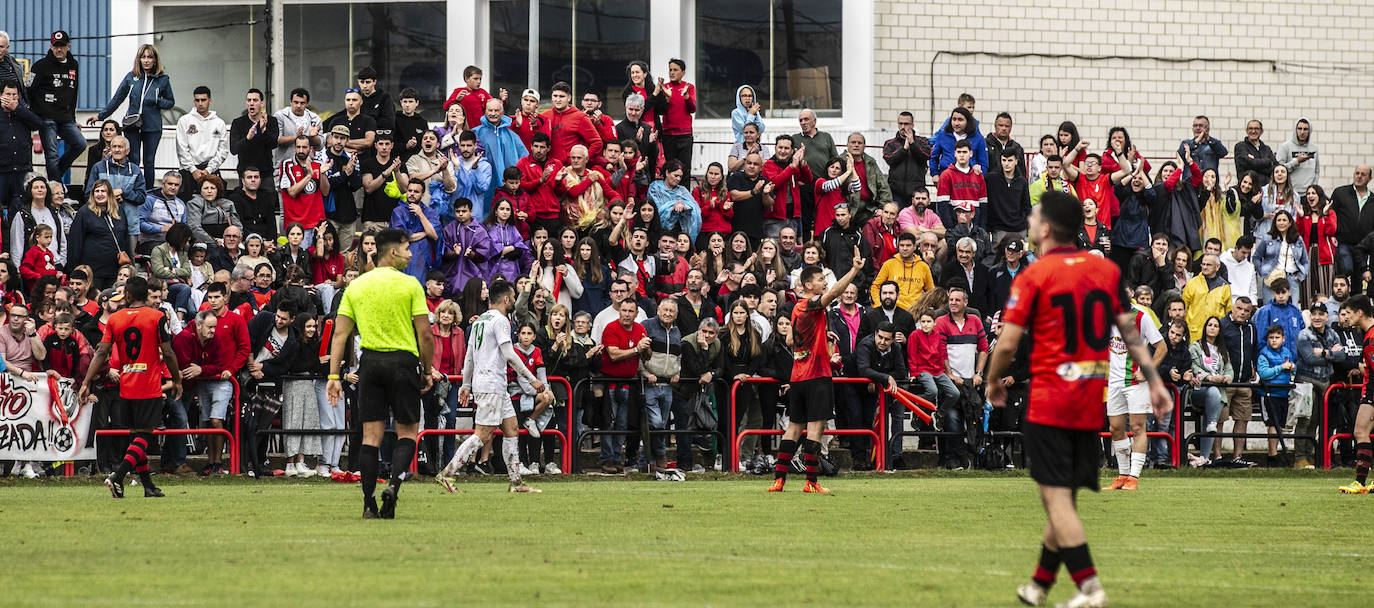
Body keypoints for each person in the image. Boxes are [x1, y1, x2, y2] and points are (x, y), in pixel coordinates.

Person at [987, 190, 1171, 608]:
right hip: (1090, 399)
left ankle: (1091, 589)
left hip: (1051, 399)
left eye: (1034, 217)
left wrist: (993, 379)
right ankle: (1038, 585)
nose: (1029, 223)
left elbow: (1007, 342)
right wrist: (1156, 382)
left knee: (1054, 498)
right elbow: (1130, 329)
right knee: (1063, 497)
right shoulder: (1104, 269)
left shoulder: (1034, 275)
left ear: (1047, 228)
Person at [325, 229, 434, 518]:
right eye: (407, 248)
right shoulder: (411, 285)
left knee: (370, 437)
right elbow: (425, 334)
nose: (411, 254)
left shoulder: (357, 286)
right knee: (408, 432)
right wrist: (427, 369)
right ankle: (394, 488)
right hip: (402, 361)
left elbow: (340, 335)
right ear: (393, 251)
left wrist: (334, 377)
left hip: (370, 363)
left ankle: (368, 503)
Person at [436, 279, 550, 492]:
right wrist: (531, 378)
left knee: (512, 428)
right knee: (483, 434)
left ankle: (516, 483)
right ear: (506, 299)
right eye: (513, 298)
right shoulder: (500, 320)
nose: (514, 301)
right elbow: (509, 354)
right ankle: (447, 474)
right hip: (491, 382)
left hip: (491, 382)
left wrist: (466, 383)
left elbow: (470, 355)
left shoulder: (479, 321)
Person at [766, 245, 864, 493]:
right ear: (808, 285)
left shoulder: (796, 309)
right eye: (820, 279)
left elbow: (790, 341)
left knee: (794, 427)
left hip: (797, 376)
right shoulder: (812, 305)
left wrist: (820, 336)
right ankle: (811, 482)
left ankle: (779, 479)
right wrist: (853, 270)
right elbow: (835, 293)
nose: (823, 282)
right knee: (816, 429)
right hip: (817, 375)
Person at [79, 276, 184, 499]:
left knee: (137, 436)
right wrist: (177, 380)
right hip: (148, 385)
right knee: (144, 436)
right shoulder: (156, 317)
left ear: (126, 294)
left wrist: (86, 382)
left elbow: (100, 353)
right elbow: (168, 353)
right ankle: (118, 476)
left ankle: (148, 487)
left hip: (125, 386)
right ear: (146, 295)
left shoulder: (115, 319)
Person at [90, 44, 173, 188]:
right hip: (132, 125)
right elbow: (118, 98)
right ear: (139, 59)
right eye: (143, 57)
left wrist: (156, 100)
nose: (146, 60)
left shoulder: (162, 79)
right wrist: (101, 116)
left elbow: (170, 102)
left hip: (152, 126)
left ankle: (147, 192)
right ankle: (132, 189)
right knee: (133, 158)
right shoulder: (132, 76)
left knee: (148, 161)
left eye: (149, 57)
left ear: (155, 60)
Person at [28, 31, 85, 181]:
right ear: (51, 46)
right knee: (52, 155)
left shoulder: (74, 65)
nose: (59, 49)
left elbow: (74, 93)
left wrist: (73, 118)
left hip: (65, 118)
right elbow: (28, 91)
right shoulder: (40, 66)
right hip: (45, 119)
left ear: (68, 47)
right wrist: (32, 116)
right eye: (56, 46)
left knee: (80, 144)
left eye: (62, 46)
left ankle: (54, 178)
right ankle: (57, 189)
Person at [1294, 303, 1343, 469]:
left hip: (1325, 382)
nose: (1317, 317)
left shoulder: (1332, 333)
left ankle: (1315, 457)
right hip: (1306, 380)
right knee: (1305, 419)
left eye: (1320, 314)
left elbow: (1342, 355)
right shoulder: (1303, 335)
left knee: (1319, 421)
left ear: (1326, 316)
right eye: (1313, 314)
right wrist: (1331, 353)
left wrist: (1322, 352)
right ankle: (1301, 458)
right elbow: (1308, 358)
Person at [85, 135, 146, 249]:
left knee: (129, 261)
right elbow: (88, 193)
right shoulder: (98, 168)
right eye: (114, 147)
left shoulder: (135, 170)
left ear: (127, 151)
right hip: (102, 224)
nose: (117, 150)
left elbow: (142, 197)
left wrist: (124, 193)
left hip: (130, 226)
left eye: (120, 147)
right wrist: (109, 195)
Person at [65, 180, 130, 289]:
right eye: (97, 191)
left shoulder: (119, 211)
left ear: (109, 193)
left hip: (115, 269)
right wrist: (73, 269)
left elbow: (125, 237)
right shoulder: (84, 212)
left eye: (103, 191)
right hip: (93, 270)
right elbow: (75, 242)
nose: (100, 194)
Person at [174, 86, 230, 202]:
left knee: (213, 205)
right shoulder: (184, 121)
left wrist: (209, 170)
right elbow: (181, 148)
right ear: (194, 101)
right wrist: (193, 169)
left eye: (203, 100)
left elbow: (223, 150)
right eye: (197, 100)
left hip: (211, 170)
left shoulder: (219, 123)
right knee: (186, 204)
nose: (200, 103)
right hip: (188, 171)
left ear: (210, 100)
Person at [279, 135, 331, 247]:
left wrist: (322, 173)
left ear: (310, 149)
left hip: (317, 222)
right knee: (300, 261)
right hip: (296, 225)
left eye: (304, 147)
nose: (301, 150)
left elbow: (325, 191)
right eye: (298, 147)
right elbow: (292, 192)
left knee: (317, 259)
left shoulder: (318, 163)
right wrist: (309, 175)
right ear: (294, 148)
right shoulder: (287, 165)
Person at [870, 232, 932, 311]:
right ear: (898, 247)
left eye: (908, 245)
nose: (905, 248)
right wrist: (879, 306)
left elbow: (931, 292)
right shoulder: (889, 264)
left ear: (914, 247)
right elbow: (875, 286)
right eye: (902, 245)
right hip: (893, 310)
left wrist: (923, 308)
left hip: (916, 312)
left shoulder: (923, 267)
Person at [656, 59, 696, 172]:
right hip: (668, 134)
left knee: (685, 168)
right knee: (669, 168)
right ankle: (669, 190)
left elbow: (693, 109)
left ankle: (684, 190)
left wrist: (687, 97)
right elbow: (660, 111)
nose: (672, 73)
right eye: (670, 70)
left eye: (675, 70)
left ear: (683, 72)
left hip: (685, 134)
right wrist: (666, 98)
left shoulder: (689, 87)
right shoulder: (665, 88)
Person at [1182, 253, 1231, 342]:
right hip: (1194, 333)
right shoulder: (1192, 283)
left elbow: (1228, 312)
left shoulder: (1224, 286)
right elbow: (1184, 307)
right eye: (1203, 264)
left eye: (1208, 265)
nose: (1205, 267)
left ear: (1217, 267)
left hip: (1214, 336)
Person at [1276, 118, 1320, 193]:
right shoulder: (1285, 147)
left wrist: (1313, 187)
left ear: (1310, 131)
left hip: (1308, 194)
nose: (1302, 132)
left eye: (1305, 129)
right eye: (1299, 129)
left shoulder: (1314, 148)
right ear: (1295, 130)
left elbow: (1316, 171)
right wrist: (1296, 161)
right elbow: (1278, 170)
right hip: (1290, 193)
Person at [1233, 119, 1276, 188]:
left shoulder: (1267, 149)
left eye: (1256, 129)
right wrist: (1268, 162)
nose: (1253, 131)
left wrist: (1254, 163)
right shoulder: (1240, 146)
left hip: (1266, 189)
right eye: (1250, 128)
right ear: (1246, 131)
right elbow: (1247, 163)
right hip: (1248, 189)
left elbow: (1275, 167)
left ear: (1261, 131)